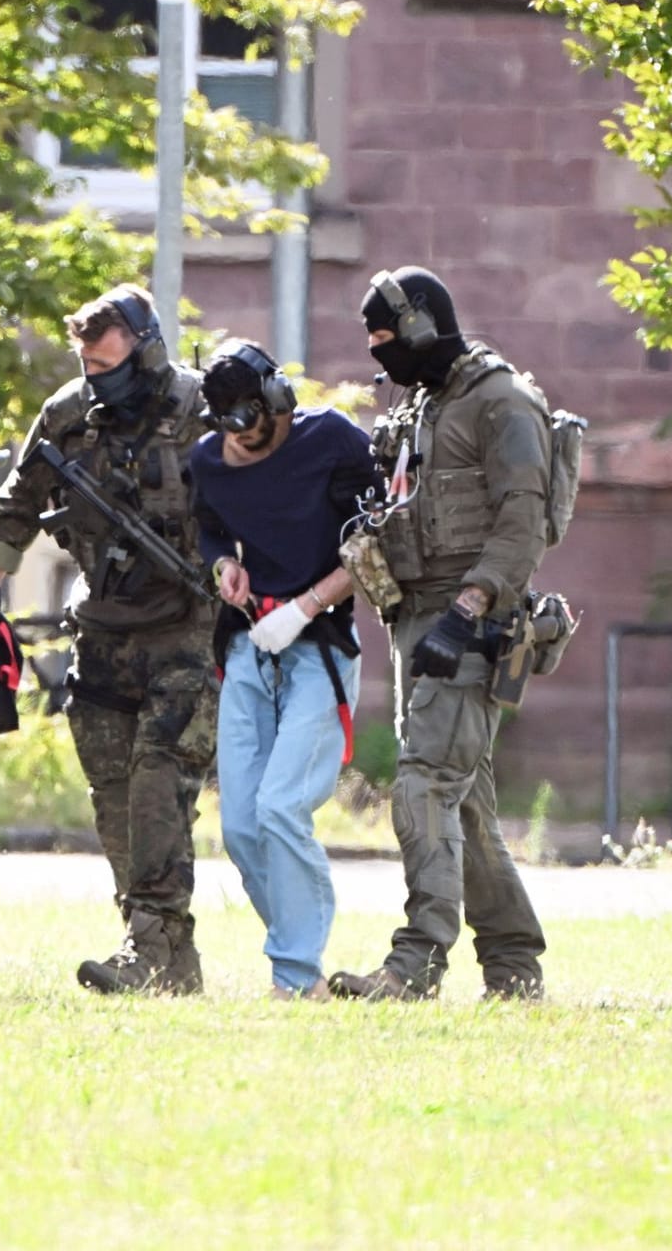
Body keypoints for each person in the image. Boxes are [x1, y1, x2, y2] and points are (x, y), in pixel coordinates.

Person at [0, 285, 215, 995]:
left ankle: (146, 947)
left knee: (158, 781)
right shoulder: (71, 415)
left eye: (109, 363)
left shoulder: (199, 410)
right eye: (87, 364)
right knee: (112, 793)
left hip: (187, 632)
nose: (97, 378)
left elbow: (254, 497)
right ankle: (168, 952)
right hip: (103, 629)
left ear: (148, 347)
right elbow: (16, 503)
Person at [329, 266, 551, 1002]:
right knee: (465, 799)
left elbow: (524, 519)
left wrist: (468, 609)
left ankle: (416, 962)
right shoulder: (425, 405)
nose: (377, 352)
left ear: (424, 326)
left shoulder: (501, 401)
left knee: (424, 783)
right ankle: (515, 965)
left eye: (386, 336)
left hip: (470, 623)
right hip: (416, 617)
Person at [188, 339, 378, 1001]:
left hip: (317, 647)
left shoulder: (336, 444)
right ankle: (302, 963)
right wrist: (223, 566)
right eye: (224, 427)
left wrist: (303, 608)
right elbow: (211, 528)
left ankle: (294, 976)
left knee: (280, 806)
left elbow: (373, 549)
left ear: (276, 400)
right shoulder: (209, 462)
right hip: (247, 647)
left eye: (247, 422)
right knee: (241, 825)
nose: (237, 441)